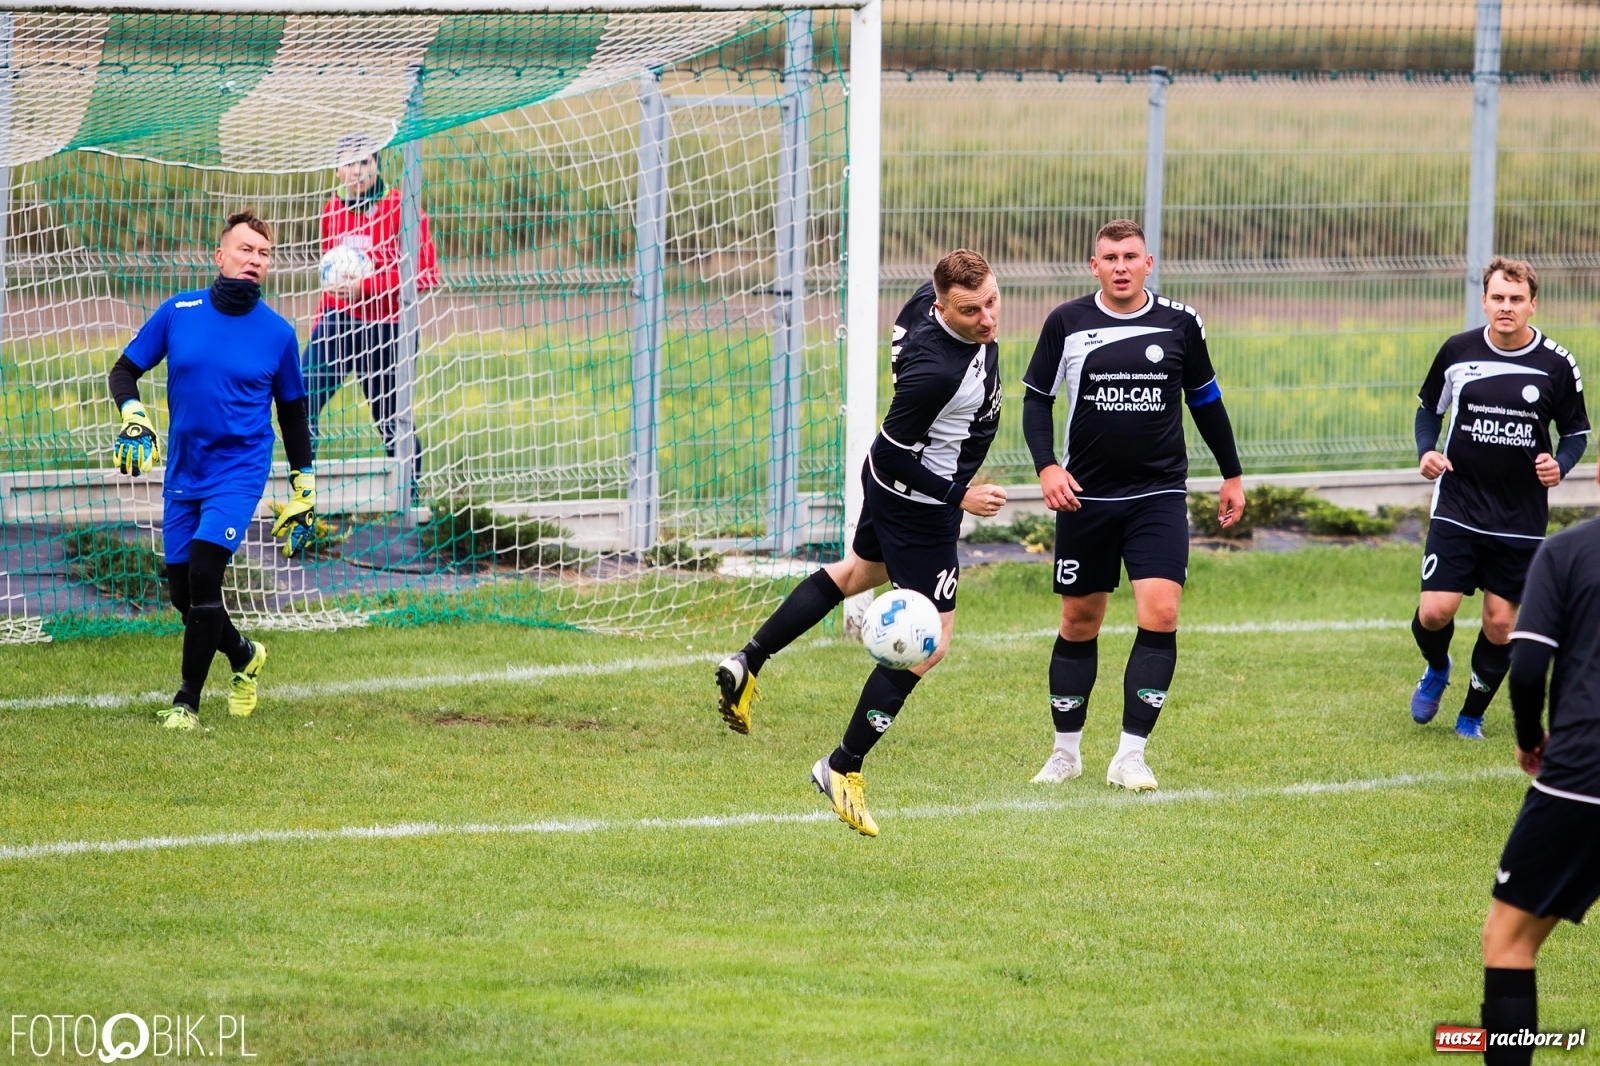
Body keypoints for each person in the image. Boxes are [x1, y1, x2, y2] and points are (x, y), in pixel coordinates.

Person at [713, 248, 1006, 836]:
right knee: (932, 643)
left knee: (854, 575)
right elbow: (890, 452)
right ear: (944, 304)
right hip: (920, 508)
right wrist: (959, 495)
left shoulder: (925, 304)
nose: (989, 318)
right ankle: (841, 766)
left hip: (894, 496)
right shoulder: (936, 373)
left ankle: (748, 661)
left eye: (993, 301)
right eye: (972, 310)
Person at [1020, 218, 1244, 792]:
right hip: (1085, 497)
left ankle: (1130, 755)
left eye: (1131, 256)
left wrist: (1232, 474)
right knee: (1079, 619)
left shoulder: (1180, 323)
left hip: (1158, 495)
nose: (1121, 266)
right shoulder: (1066, 323)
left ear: (1149, 263)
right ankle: (1065, 752)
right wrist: (1047, 466)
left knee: (1161, 613)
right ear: (1093, 266)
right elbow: (1036, 401)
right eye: (1110, 257)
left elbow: (1207, 402)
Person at [108, 210, 318, 730]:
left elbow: (293, 411)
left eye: (264, 254)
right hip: (184, 470)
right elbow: (125, 371)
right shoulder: (179, 311)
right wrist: (134, 416)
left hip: (239, 472)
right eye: (245, 249)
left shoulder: (277, 333)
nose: (255, 259)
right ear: (220, 255)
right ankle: (244, 655)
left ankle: (187, 703)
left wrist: (304, 484)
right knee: (182, 593)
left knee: (204, 578)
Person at [1409, 257, 1588, 740]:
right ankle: (1437, 666)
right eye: (1497, 298)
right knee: (1434, 612)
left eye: (1515, 299)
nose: (1505, 307)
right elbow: (1429, 408)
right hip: (1459, 504)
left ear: (1533, 303)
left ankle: (1471, 715)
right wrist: (1426, 450)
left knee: (1500, 624)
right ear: (1484, 300)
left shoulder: (1556, 364)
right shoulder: (1458, 351)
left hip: (1519, 517)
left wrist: (1561, 465)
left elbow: (1576, 433)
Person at [1479, 508, 1600, 1065]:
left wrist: (1531, 738)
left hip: (1583, 775)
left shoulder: (1568, 552)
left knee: (1509, 941)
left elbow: (1527, 667)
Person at [303, 133, 439, 483]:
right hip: (338, 324)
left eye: (365, 162)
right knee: (300, 396)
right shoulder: (332, 211)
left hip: (388, 329)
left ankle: (408, 499)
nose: (357, 171)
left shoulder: (403, 208)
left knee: (391, 419)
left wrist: (366, 285)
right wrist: (321, 322)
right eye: (349, 163)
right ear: (337, 170)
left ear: (377, 166)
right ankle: (302, 491)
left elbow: (425, 274)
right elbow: (329, 274)